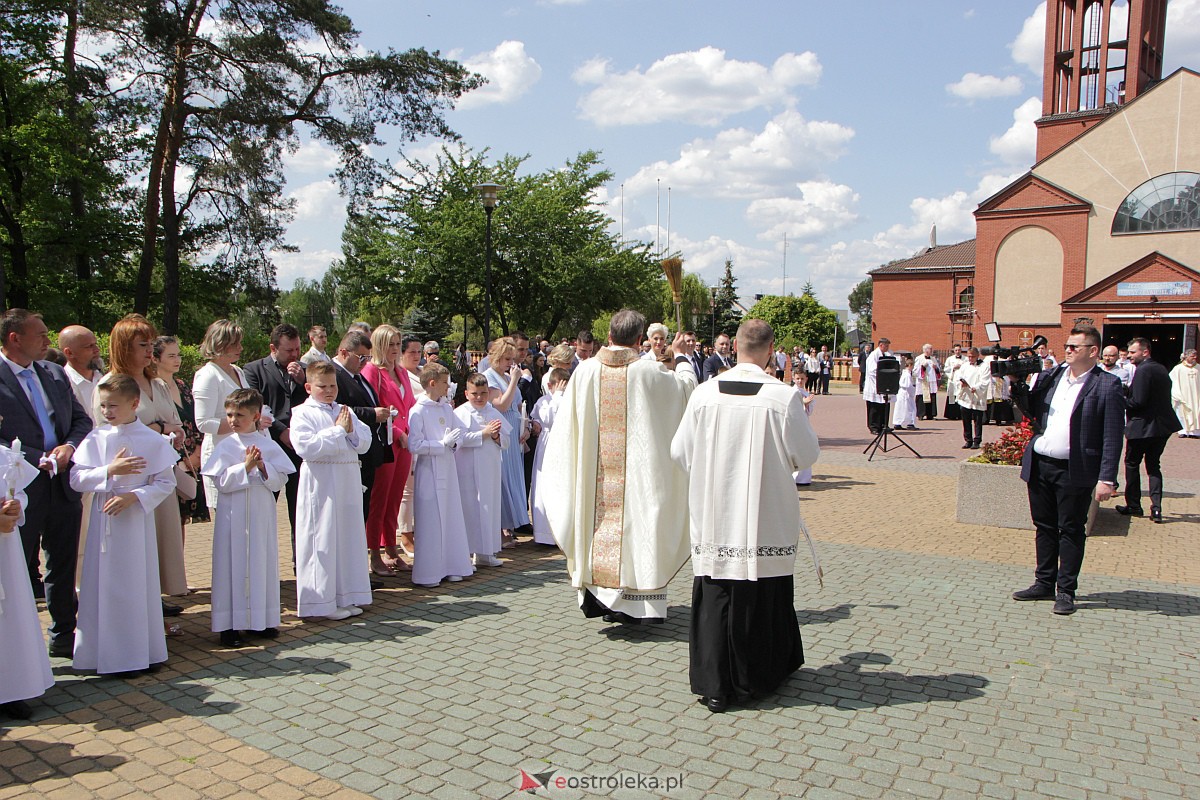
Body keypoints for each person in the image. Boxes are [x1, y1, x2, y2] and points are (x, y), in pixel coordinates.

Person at [670, 318, 820, 713]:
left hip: (715, 510)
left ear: (734, 346)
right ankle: (756, 680)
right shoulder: (783, 397)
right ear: (771, 349)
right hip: (763, 513)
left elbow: (679, 452)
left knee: (717, 591)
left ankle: (714, 685)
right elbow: (806, 456)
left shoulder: (704, 394)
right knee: (761, 592)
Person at [545, 309, 697, 625]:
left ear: (610, 336)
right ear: (640, 340)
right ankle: (635, 605)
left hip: (594, 478)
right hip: (639, 477)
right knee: (637, 531)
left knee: (598, 527)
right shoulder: (650, 372)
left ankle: (600, 600)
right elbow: (685, 392)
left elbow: (567, 430)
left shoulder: (585, 371)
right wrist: (682, 357)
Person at [0, 309, 93, 659]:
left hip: (62, 483)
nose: (45, 340)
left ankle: (63, 635)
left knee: (63, 562)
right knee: (17, 566)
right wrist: (36, 456)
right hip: (19, 489)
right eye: (39, 334)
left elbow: (81, 420)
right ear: (15, 338)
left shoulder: (53, 373)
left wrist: (68, 447)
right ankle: (17, 647)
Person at [1013, 325, 1124, 616]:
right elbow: (1031, 412)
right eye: (1068, 346)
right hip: (1041, 464)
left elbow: (1112, 436)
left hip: (1075, 469)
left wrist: (1106, 478)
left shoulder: (1107, 385)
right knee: (1044, 526)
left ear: (1093, 351)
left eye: (1075, 346)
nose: (1068, 350)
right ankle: (1044, 582)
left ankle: (1066, 590)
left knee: (1071, 530)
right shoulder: (1053, 377)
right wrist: (1016, 384)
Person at [71, 375, 177, 675]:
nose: (107, 411)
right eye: (103, 406)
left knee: (137, 584)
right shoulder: (96, 438)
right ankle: (105, 654)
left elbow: (165, 481)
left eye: (113, 405)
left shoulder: (152, 440)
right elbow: (77, 479)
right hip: (104, 522)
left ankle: (144, 651)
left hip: (134, 523)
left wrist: (135, 495)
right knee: (104, 584)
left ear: (134, 403)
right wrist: (108, 471)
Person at [96, 315, 190, 600]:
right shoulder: (111, 384)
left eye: (151, 345)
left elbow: (174, 419)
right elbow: (109, 429)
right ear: (124, 347)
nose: (150, 351)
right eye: (142, 345)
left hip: (160, 474)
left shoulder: (158, 383)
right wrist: (161, 428)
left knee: (164, 539)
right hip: (130, 479)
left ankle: (159, 600)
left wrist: (175, 431)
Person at [202, 389, 295, 647]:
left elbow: (281, 479)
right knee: (230, 563)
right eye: (229, 414)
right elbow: (220, 482)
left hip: (260, 508)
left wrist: (264, 467)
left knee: (260, 561)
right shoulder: (225, 445)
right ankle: (229, 625)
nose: (233, 420)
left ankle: (260, 620)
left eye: (239, 415)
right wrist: (244, 467)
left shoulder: (267, 444)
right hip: (232, 510)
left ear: (255, 415)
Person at [290, 361, 373, 620]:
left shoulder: (344, 409)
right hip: (322, 482)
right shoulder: (302, 413)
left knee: (346, 539)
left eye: (333, 386)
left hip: (347, 479)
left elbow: (365, 441)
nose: (329, 391)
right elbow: (306, 447)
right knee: (322, 540)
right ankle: (321, 602)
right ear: (308, 387)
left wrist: (349, 432)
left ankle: (345, 595)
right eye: (322, 386)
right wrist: (338, 431)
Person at [408, 362, 474, 589]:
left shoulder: (446, 408)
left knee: (450, 515)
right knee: (431, 520)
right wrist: (440, 444)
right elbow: (414, 444)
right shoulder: (418, 411)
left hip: (447, 467)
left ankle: (452, 566)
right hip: (429, 470)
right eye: (445, 382)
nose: (449, 387)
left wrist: (455, 443)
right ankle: (429, 572)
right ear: (432, 383)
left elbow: (460, 433)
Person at [244, 323, 308, 548]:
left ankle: (299, 559)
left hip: (298, 446)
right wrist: (281, 431)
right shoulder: (253, 370)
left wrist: (303, 381)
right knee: (265, 505)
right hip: (269, 444)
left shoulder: (304, 370)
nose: (295, 355)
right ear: (273, 347)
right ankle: (261, 558)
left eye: (298, 349)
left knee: (299, 506)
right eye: (289, 350)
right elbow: (257, 406)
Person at [0, 450, 53, 719]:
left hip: (5, 548)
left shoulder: (3, 455)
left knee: (9, 618)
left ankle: (11, 688)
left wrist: (15, 505)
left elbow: (18, 490)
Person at [360, 325, 415, 576]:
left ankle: (392, 549)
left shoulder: (401, 372)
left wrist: (411, 432)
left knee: (395, 498)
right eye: (390, 344)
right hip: (386, 442)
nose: (395, 349)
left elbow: (409, 406)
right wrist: (397, 433)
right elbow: (373, 407)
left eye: (397, 344)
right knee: (379, 499)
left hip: (405, 443)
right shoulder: (372, 372)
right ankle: (374, 552)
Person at [331, 330, 392, 538]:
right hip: (349, 452)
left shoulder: (358, 377)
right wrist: (372, 414)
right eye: (361, 357)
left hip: (367, 451)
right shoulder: (334, 375)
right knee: (352, 513)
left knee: (363, 510)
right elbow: (338, 409)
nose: (365, 362)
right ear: (344, 352)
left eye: (368, 357)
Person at [1116, 338, 1181, 524]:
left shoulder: (1143, 370)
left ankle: (1134, 505)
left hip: (1143, 427)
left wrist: (1120, 398)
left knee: (1132, 463)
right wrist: (1128, 391)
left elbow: (1138, 402)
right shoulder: (1161, 369)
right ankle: (1157, 507)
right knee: (1153, 465)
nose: (1129, 356)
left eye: (1133, 352)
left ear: (1145, 352)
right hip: (1162, 427)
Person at [455, 373, 511, 567]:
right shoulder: (460, 413)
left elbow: (506, 441)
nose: (479, 398)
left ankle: (486, 551)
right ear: (466, 393)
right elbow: (458, 439)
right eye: (475, 393)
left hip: (490, 467)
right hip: (468, 468)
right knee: (470, 508)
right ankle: (468, 552)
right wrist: (484, 433)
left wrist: (496, 437)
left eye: (483, 393)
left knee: (490, 506)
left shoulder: (493, 411)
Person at [193, 320, 247, 514]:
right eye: (235, 344)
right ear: (220, 344)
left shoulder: (238, 371)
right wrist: (244, 422)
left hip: (242, 451)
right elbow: (203, 422)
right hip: (220, 452)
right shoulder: (207, 375)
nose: (240, 348)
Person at [153, 336, 209, 523]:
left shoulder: (183, 385)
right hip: (172, 460)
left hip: (195, 457)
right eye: (171, 356)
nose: (177, 360)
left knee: (183, 517)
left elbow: (196, 419)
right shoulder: (152, 389)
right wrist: (183, 458)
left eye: (178, 355)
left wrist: (198, 453)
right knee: (171, 519)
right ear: (155, 359)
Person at [484, 338, 530, 545]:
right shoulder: (490, 377)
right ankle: (500, 527)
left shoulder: (504, 375)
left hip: (515, 429)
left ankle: (510, 525)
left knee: (513, 478)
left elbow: (520, 405)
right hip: (501, 427)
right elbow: (501, 405)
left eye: (512, 360)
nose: (510, 364)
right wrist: (514, 381)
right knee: (502, 479)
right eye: (506, 359)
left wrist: (526, 427)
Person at [530, 367, 569, 546]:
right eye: (560, 386)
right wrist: (557, 396)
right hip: (548, 443)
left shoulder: (570, 399)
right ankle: (544, 534)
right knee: (544, 484)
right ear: (550, 385)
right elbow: (548, 418)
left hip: (566, 445)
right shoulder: (544, 401)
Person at [396, 336, 425, 559]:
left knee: (419, 489)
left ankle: (418, 529)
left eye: (419, 351)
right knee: (407, 490)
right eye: (412, 352)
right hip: (407, 433)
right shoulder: (400, 374)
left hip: (426, 434)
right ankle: (405, 532)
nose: (416, 356)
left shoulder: (423, 373)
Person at [58, 325, 103, 421]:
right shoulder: (61, 386)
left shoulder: (105, 379)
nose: (97, 350)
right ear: (69, 353)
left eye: (95, 344)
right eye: (90, 346)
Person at [956, 347, 989, 449]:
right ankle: (968, 440)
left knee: (978, 420)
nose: (970, 359)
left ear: (977, 355)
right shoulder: (965, 365)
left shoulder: (984, 366)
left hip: (976, 396)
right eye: (969, 356)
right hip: (966, 396)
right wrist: (961, 383)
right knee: (966, 420)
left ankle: (977, 441)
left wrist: (976, 387)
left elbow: (985, 381)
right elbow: (959, 377)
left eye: (972, 357)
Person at [861, 338, 894, 436]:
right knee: (874, 407)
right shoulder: (873, 355)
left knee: (884, 405)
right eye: (886, 346)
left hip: (883, 385)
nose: (888, 348)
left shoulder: (886, 354)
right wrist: (883, 373)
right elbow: (872, 370)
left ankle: (883, 425)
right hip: (874, 385)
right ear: (881, 345)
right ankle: (874, 427)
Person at [1170, 349, 1199, 437]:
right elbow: (1172, 380)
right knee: (1182, 412)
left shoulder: (1198, 368)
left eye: (1195, 356)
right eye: (1192, 356)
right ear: (1186, 356)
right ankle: (1183, 431)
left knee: (1196, 411)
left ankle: (1196, 432)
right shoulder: (1178, 368)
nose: (1195, 357)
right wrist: (1176, 393)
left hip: (1196, 395)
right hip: (1183, 394)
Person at [913, 344, 941, 421]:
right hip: (923, 381)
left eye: (932, 349)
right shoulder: (919, 358)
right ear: (925, 350)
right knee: (922, 396)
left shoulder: (933, 359)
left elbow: (938, 369)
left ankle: (930, 414)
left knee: (932, 396)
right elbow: (915, 371)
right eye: (930, 349)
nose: (931, 351)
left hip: (931, 381)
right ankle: (921, 414)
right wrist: (922, 367)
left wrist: (936, 368)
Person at [892, 355, 918, 430]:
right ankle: (910, 423)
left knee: (901, 409)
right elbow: (908, 385)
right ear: (910, 365)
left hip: (903, 393)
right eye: (912, 366)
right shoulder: (907, 374)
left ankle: (898, 423)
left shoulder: (906, 373)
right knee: (909, 409)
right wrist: (912, 391)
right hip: (906, 394)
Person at [942, 344, 965, 420]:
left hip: (961, 380)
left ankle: (961, 414)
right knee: (952, 397)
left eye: (959, 350)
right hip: (953, 380)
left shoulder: (965, 359)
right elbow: (946, 369)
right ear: (954, 351)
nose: (957, 351)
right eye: (956, 350)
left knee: (961, 396)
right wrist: (953, 368)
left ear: (961, 350)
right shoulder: (949, 359)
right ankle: (951, 414)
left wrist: (961, 367)